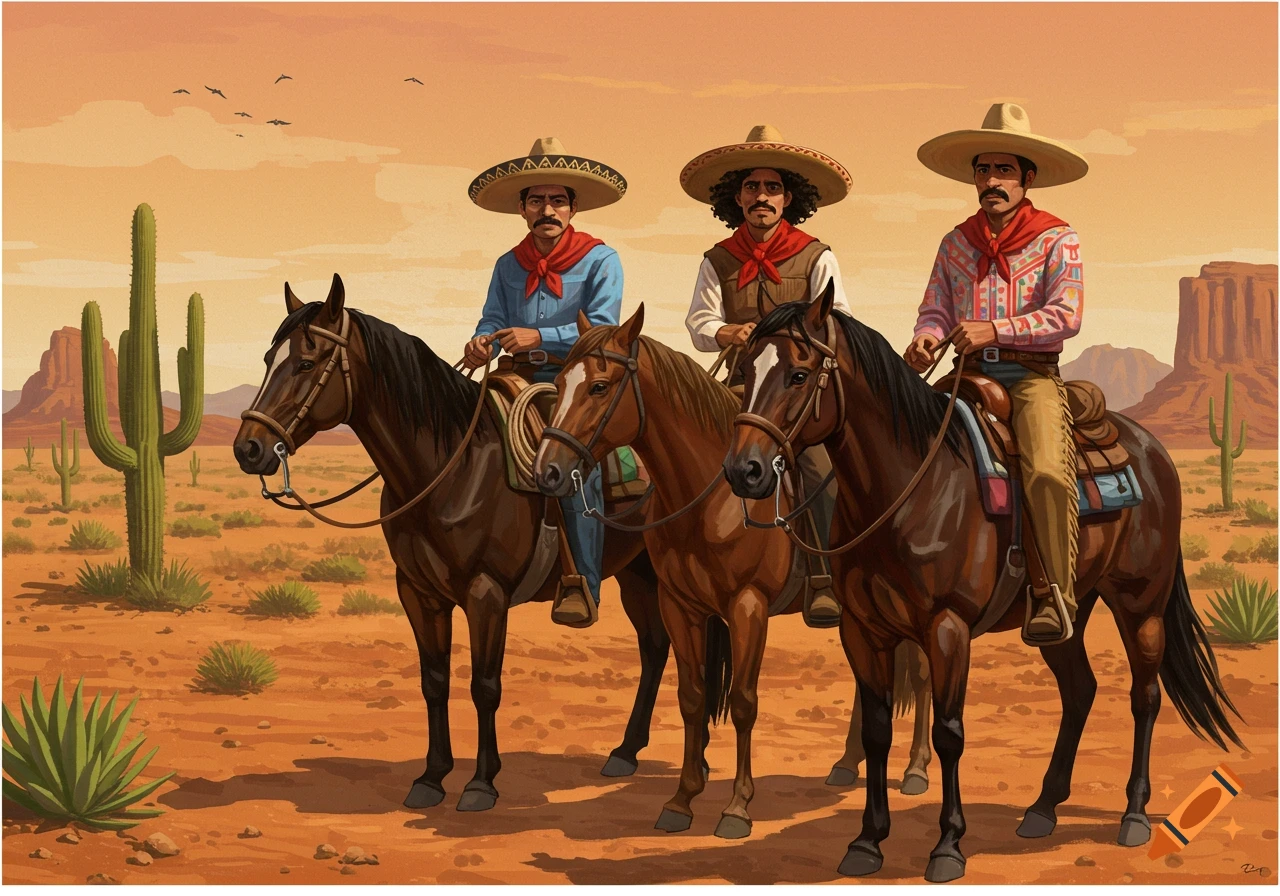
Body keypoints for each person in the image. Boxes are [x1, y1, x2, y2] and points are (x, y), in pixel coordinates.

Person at [907, 103, 1088, 645]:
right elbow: (936, 306)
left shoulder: (1059, 239)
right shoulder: (955, 242)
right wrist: (927, 338)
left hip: (1029, 377)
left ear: (1027, 179)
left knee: (1048, 473)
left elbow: (1067, 315)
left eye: (1004, 171)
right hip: (963, 375)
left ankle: (1053, 592)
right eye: (984, 171)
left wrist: (997, 329)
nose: (992, 181)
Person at [679, 125, 854, 627]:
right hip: (738, 384)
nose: (762, 197)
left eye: (772, 188)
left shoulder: (817, 255)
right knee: (684, 456)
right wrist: (728, 332)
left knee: (818, 468)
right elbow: (699, 323)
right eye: (752, 187)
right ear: (735, 197)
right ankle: (686, 571)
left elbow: (838, 321)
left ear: (788, 198)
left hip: (800, 391)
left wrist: (793, 337)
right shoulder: (718, 259)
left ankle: (821, 579)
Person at [465, 137, 628, 627]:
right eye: (536, 200)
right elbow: (492, 319)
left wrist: (541, 334)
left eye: (557, 200)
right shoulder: (506, 264)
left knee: (579, 462)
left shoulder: (602, 260)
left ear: (573, 207)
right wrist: (482, 342)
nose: (547, 209)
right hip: (514, 378)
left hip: (575, 381)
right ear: (522, 208)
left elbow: (601, 329)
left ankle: (581, 583)